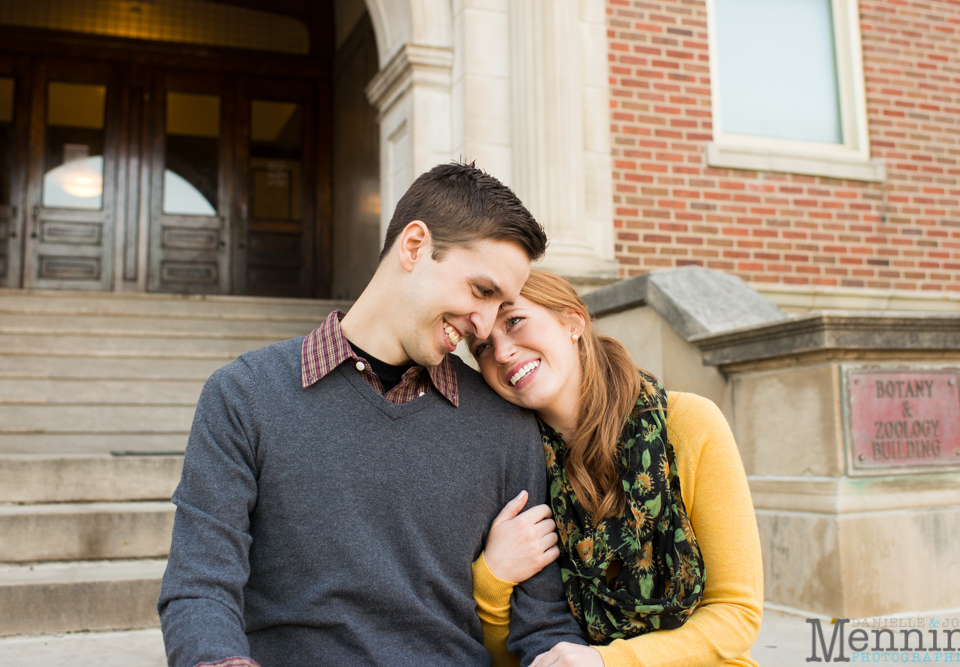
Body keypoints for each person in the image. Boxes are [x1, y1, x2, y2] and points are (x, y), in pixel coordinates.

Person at [157, 164, 588, 667]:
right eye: (481, 291)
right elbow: (200, 589)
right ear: (413, 247)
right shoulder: (245, 395)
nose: (485, 326)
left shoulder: (505, 424)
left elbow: (543, 626)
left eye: (502, 306)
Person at [467, 270, 764, 667]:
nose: (502, 353)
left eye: (514, 321)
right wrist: (492, 581)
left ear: (573, 322)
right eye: (482, 346)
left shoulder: (690, 425)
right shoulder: (516, 468)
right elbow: (516, 657)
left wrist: (608, 662)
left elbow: (737, 615)